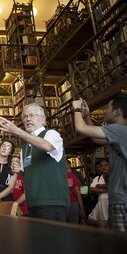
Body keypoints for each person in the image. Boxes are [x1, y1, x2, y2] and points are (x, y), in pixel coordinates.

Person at [0, 103, 70, 221]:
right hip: (32, 203)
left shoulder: (51, 134)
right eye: (25, 117)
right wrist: (18, 170)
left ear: (43, 120)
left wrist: (17, 131)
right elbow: (27, 175)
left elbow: (47, 146)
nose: (28, 119)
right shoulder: (25, 147)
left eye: (32, 115)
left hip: (52, 202)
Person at [72, 93, 127, 232]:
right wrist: (86, 116)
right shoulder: (121, 132)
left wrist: (76, 109)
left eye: (108, 107)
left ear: (117, 112)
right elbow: (96, 139)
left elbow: (81, 128)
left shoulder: (119, 129)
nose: (104, 110)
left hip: (122, 201)